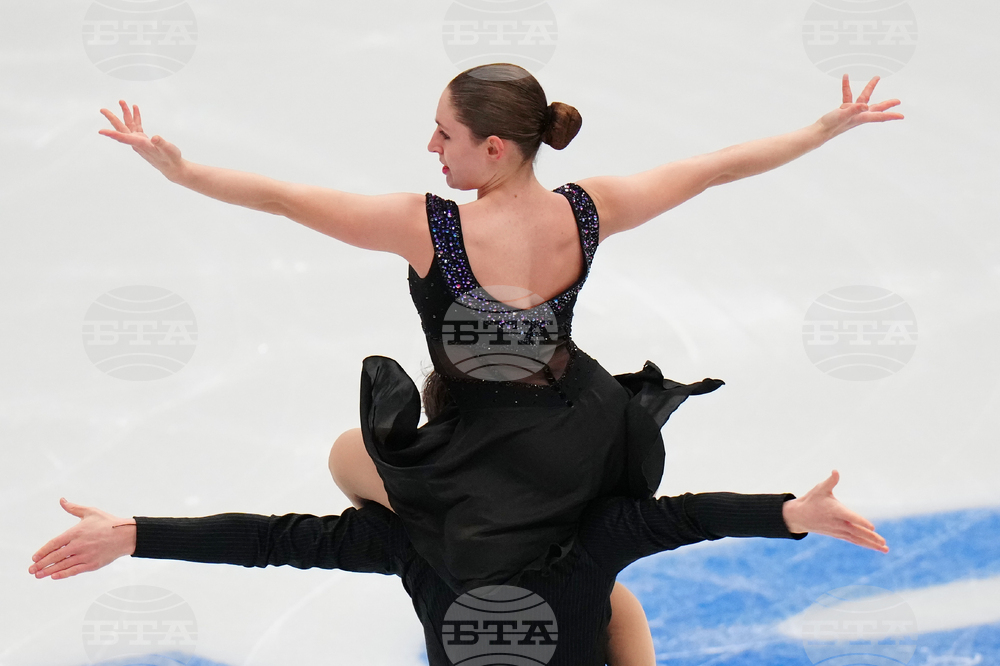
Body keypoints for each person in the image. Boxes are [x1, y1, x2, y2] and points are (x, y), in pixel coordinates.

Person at [95, 63, 903, 656]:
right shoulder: (586, 211)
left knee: (351, 458)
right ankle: (596, 602)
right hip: (583, 435)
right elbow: (715, 169)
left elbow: (282, 198)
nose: (430, 146)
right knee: (603, 571)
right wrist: (821, 130)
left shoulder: (429, 228)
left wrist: (183, 171)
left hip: (487, 453)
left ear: (492, 148)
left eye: (443, 133)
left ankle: (473, 565)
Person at [28, 471, 888, 665]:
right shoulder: (413, 540)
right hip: (590, 611)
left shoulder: (587, 540)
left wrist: (789, 514)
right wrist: (135, 533)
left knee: (618, 606)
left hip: (599, 622)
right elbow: (271, 537)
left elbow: (690, 516)